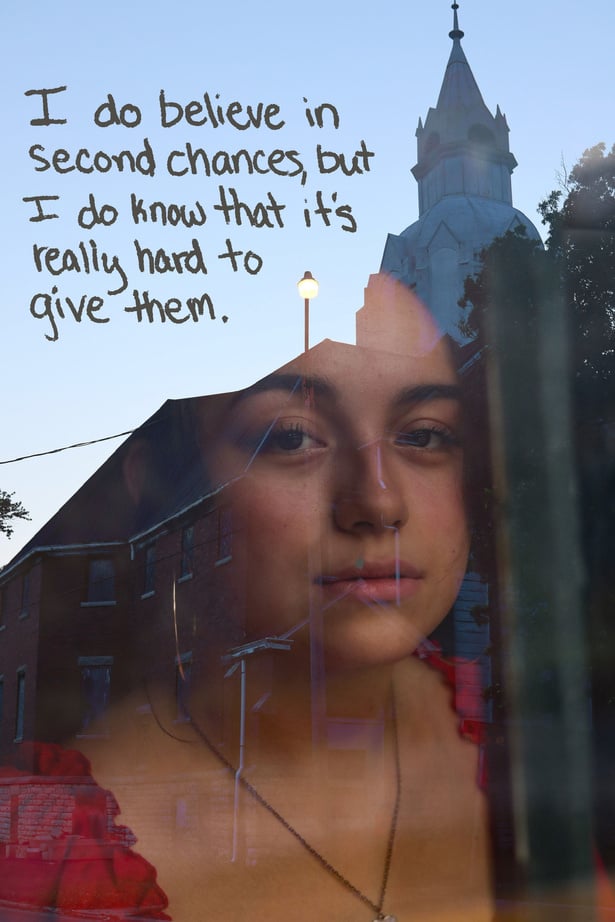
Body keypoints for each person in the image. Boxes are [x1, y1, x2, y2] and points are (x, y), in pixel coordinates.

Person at [103, 273, 493, 922]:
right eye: (290, 436)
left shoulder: (512, 741)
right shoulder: (59, 844)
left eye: (423, 434)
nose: (376, 501)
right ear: (160, 492)